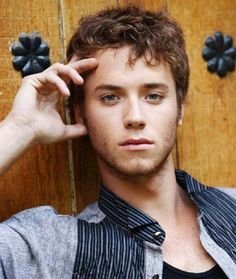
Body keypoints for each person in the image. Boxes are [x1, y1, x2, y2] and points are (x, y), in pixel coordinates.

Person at [0, 5, 235, 279]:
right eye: (110, 97)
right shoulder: (51, 248)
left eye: (153, 96)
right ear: (80, 113)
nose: (134, 117)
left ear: (180, 109)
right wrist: (19, 128)